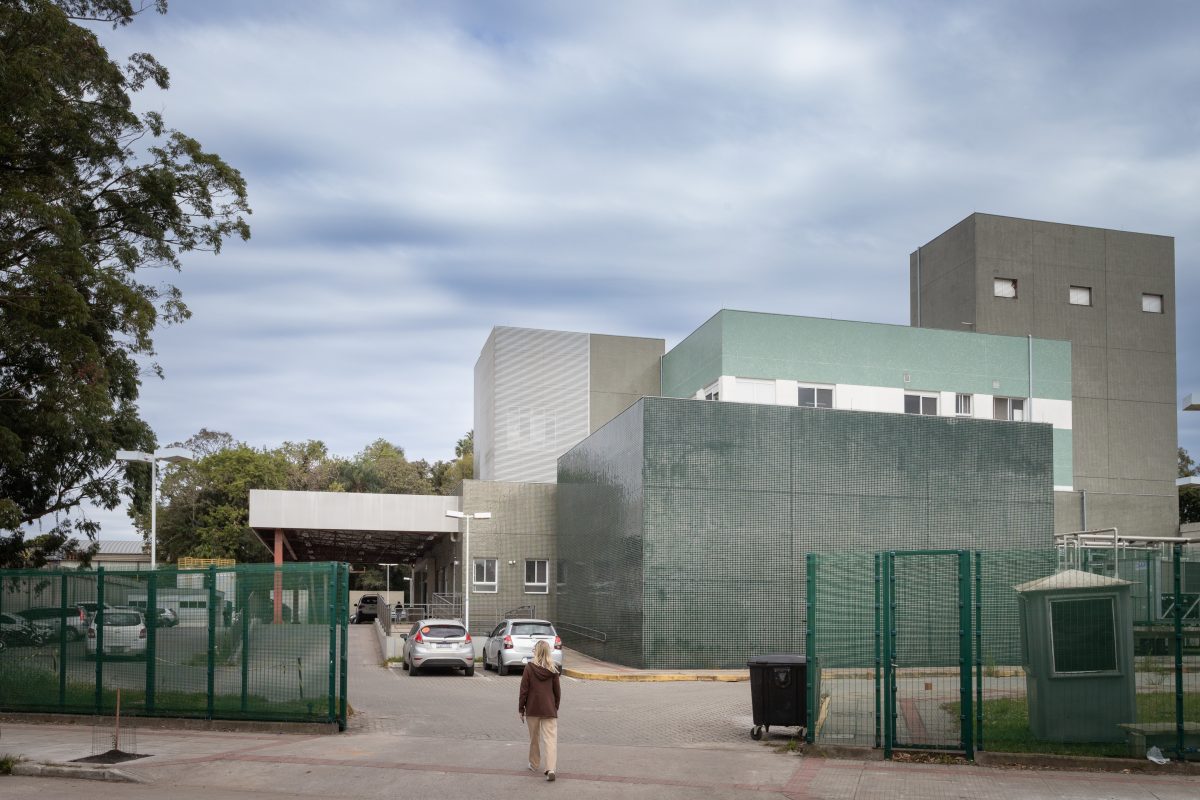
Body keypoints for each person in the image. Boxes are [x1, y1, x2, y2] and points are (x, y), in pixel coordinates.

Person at [518, 639, 561, 781]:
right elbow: (557, 692)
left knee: (534, 738)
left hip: (533, 709)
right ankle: (550, 769)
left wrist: (521, 709)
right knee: (550, 740)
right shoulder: (553, 670)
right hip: (549, 709)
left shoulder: (529, 668)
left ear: (536, 652)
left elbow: (524, 690)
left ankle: (534, 763)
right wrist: (555, 708)